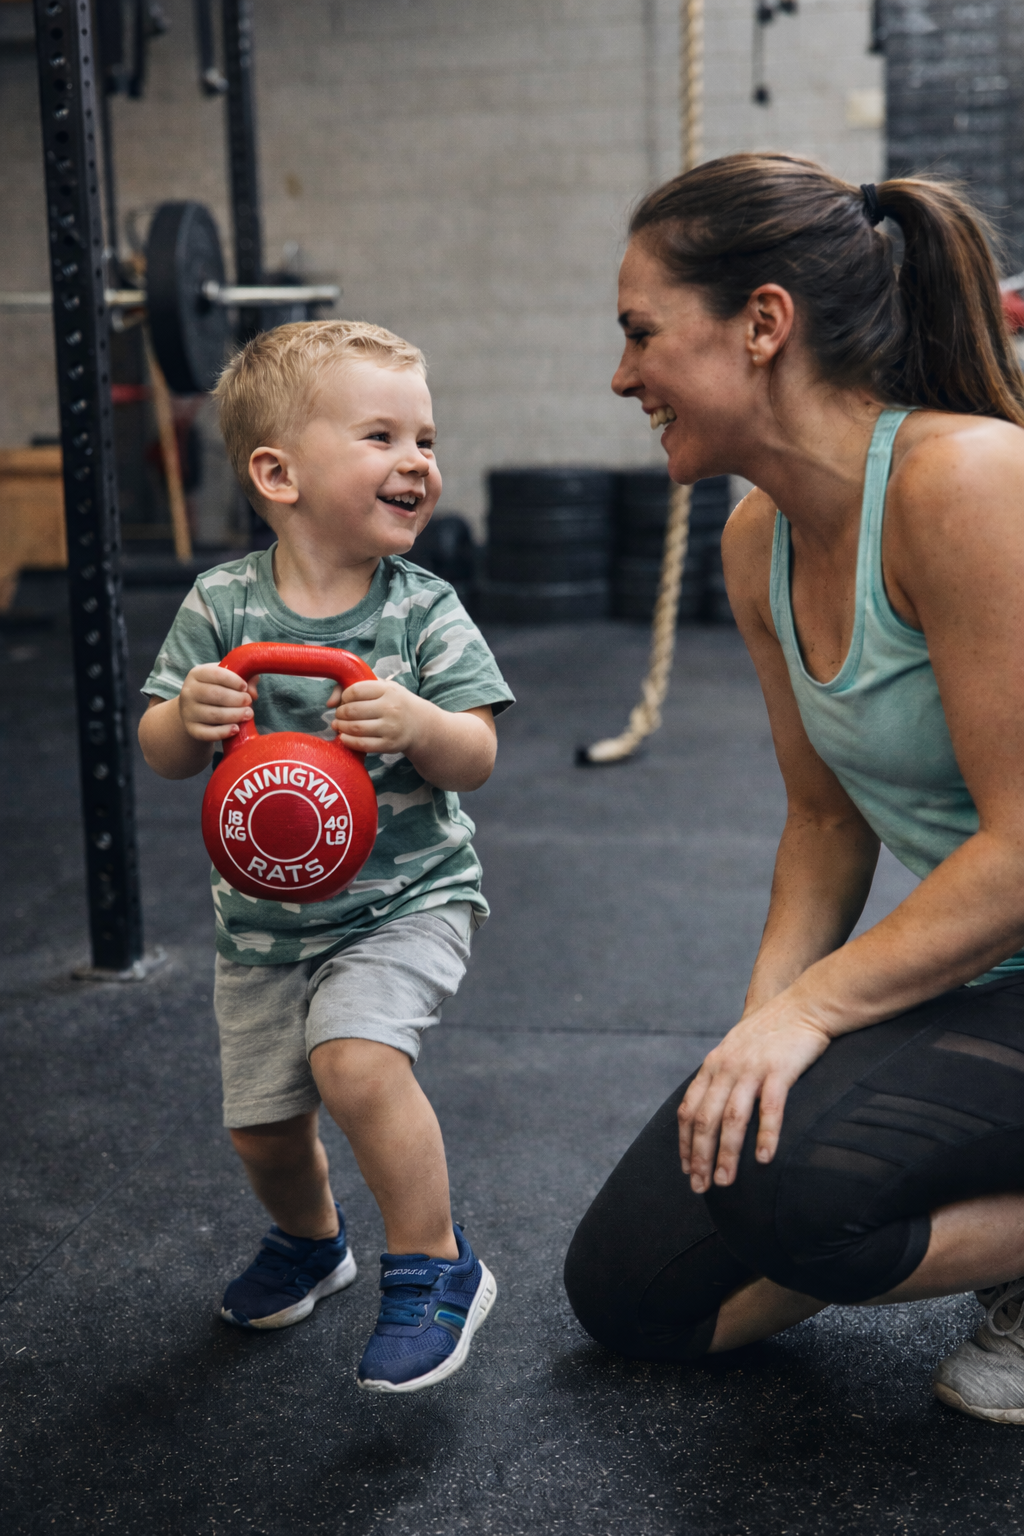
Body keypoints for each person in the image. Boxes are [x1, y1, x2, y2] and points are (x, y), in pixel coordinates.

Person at [563, 154, 1024, 1425]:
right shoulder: (757, 537)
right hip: (993, 972)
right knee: (635, 1295)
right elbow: (824, 822)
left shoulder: (968, 481)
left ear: (762, 324)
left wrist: (810, 1019)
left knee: (794, 1199)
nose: (622, 376)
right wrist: (755, 1041)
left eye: (639, 333)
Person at [139, 320, 513, 1394]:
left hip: (404, 900)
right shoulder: (221, 606)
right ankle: (312, 1243)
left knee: (354, 1061)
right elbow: (161, 748)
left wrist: (417, 725)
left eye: (426, 439)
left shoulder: (423, 611)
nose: (417, 462)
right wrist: (193, 713)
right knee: (261, 1129)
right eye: (382, 435)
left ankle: (435, 1266)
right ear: (277, 472)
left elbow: (477, 754)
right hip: (261, 924)